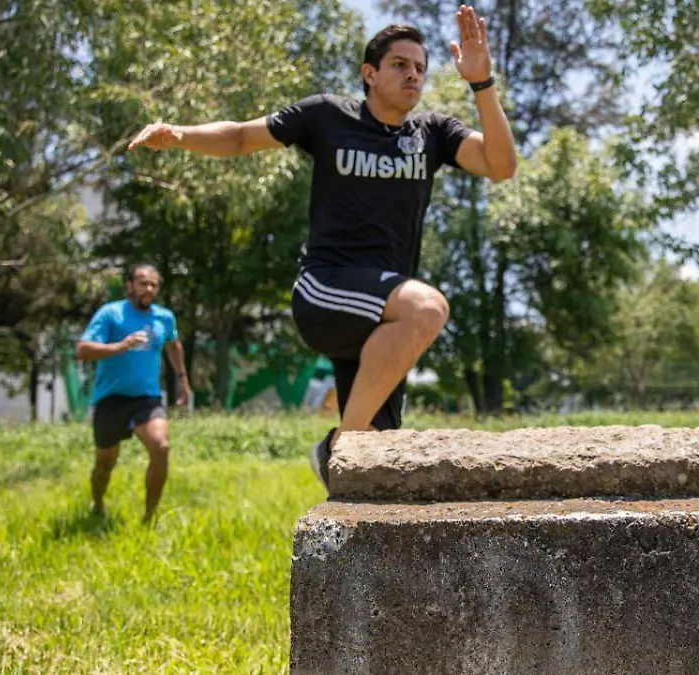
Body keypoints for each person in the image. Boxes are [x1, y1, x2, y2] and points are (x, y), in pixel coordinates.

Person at [126, 5, 518, 491]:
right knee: (428, 307)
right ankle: (344, 449)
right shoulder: (328, 117)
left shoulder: (433, 135)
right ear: (369, 74)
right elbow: (243, 137)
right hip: (326, 291)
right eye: (399, 64)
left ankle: (343, 459)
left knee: (381, 460)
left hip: (385, 316)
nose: (412, 75)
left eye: (420, 68)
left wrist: (482, 85)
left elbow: (501, 166)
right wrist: (180, 135)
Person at [76, 263, 190, 523]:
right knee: (105, 464)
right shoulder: (111, 314)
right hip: (110, 398)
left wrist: (183, 379)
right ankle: (97, 503)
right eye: (142, 283)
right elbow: (82, 350)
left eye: (154, 284)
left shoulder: (164, 317)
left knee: (161, 446)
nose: (148, 288)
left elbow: (174, 345)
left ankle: (149, 518)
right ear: (130, 286)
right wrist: (120, 346)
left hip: (146, 398)